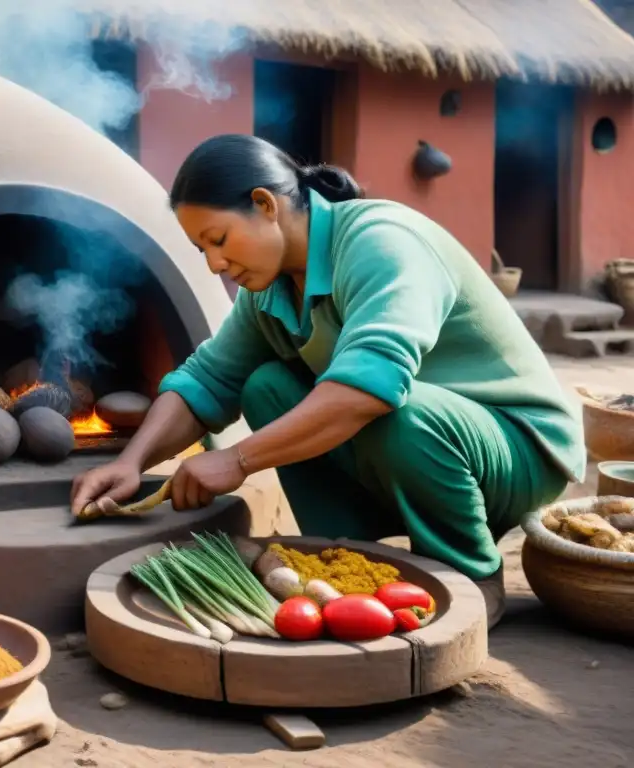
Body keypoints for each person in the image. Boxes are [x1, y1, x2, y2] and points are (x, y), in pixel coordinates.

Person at [71, 134, 585, 628]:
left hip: (520, 449)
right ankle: (352, 551)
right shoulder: (269, 291)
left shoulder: (380, 241)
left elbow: (371, 387)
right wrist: (130, 463)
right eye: (202, 250)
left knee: (393, 410)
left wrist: (237, 458)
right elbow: (207, 380)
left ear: (265, 204)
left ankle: (472, 578)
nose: (214, 265)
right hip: (421, 450)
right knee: (268, 386)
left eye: (219, 240)